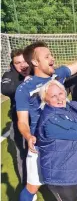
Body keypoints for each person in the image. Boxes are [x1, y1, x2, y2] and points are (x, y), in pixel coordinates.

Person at [15, 25, 77, 201]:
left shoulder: (58, 75)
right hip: (41, 144)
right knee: (32, 186)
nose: (52, 58)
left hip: (65, 143)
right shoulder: (24, 89)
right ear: (35, 62)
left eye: (51, 55)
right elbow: (22, 121)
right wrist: (28, 136)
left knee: (74, 183)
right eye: (47, 57)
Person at [1, 49, 31, 185]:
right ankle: (26, 184)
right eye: (18, 63)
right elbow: (5, 89)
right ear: (13, 65)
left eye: (24, 61)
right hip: (19, 122)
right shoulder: (9, 75)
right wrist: (25, 84)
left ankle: (47, 181)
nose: (22, 65)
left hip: (40, 120)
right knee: (22, 154)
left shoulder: (36, 72)